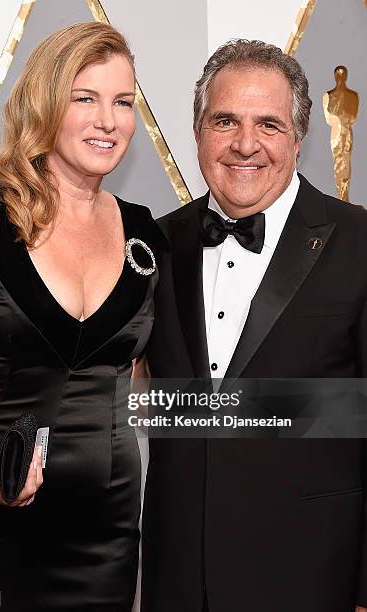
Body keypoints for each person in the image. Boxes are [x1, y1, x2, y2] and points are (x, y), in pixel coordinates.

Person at [0, 22, 164, 611]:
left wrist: (287, 420)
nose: (108, 121)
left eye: (123, 102)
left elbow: (148, 383)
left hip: (107, 539)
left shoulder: (144, 232)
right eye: (85, 98)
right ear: (46, 102)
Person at [141, 40, 367, 612]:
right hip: (179, 576)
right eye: (224, 121)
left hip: (315, 576)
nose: (245, 144)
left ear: (298, 137)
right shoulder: (154, 245)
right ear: (197, 132)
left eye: (268, 124)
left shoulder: (361, 241)